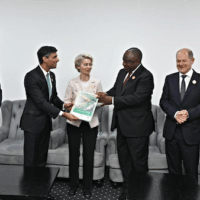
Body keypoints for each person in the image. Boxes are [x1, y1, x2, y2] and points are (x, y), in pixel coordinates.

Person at [97, 47, 155, 200]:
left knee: (138, 164)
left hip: (138, 128)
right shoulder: (123, 72)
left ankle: (140, 194)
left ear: (137, 61)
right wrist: (105, 95)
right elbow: (117, 90)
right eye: (123, 60)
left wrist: (112, 100)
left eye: (127, 61)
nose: (123, 64)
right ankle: (127, 191)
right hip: (122, 126)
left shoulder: (146, 76)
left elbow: (138, 98)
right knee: (125, 162)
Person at [20, 46, 79, 168]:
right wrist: (64, 114)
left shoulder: (51, 76)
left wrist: (64, 105)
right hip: (32, 124)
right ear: (45, 59)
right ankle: (29, 187)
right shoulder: (31, 76)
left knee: (42, 158)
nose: (58, 59)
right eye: (54, 57)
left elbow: (53, 97)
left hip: (45, 124)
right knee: (31, 160)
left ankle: (40, 186)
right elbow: (41, 102)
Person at [64, 54, 103, 199]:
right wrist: (73, 104)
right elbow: (66, 102)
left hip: (90, 123)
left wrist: (95, 102)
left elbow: (101, 102)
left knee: (89, 155)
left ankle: (87, 187)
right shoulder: (72, 82)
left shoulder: (96, 82)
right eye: (85, 64)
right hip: (74, 122)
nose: (88, 67)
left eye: (90, 64)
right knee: (74, 155)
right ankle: (73, 185)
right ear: (78, 66)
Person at [160, 48, 200, 181]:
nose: (181, 64)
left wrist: (188, 114)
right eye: (178, 61)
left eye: (184, 61)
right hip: (172, 133)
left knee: (191, 172)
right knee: (173, 172)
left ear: (192, 60)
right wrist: (176, 113)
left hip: (191, 134)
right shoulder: (169, 79)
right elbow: (163, 101)